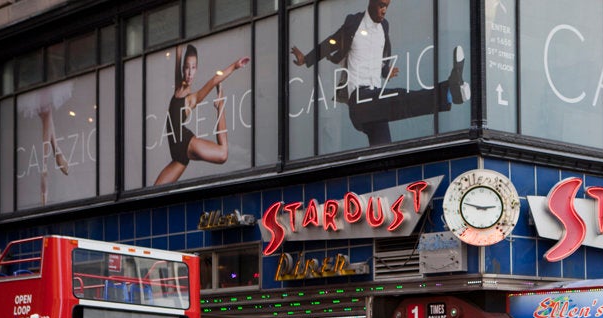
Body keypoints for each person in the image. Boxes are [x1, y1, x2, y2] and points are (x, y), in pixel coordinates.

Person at [290, 0, 470, 146]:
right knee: (399, 98)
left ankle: (381, 187)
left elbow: (381, 55)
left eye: (387, 6)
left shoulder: (384, 27)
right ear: (371, 2)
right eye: (381, 5)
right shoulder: (354, 22)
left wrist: (386, 70)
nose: (384, 10)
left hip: (375, 100)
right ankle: (448, 92)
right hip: (359, 98)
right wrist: (307, 59)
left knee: (384, 149)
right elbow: (332, 42)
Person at [154, 44, 250, 185]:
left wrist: (234, 66)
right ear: (183, 68)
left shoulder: (192, 99)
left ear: (196, 69)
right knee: (156, 191)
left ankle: (220, 105)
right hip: (178, 158)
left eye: (193, 68)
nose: (189, 73)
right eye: (187, 67)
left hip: (187, 144)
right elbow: (178, 53)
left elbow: (213, 81)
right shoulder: (178, 88)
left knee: (223, 154)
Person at [18, 81, 73, 205]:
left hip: (41, 78)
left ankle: (50, 160)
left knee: (46, 112)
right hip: (40, 77)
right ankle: (51, 159)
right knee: (46, 111)